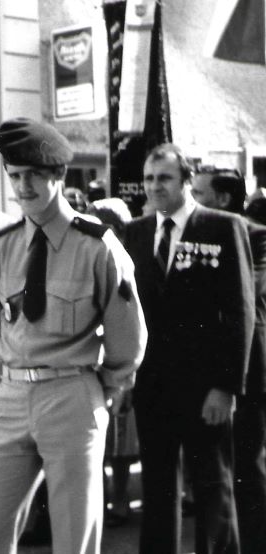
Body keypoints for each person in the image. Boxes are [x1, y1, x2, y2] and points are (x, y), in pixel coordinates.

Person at [0, 117, 147, 554]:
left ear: (58, 175)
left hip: (72, 397)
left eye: (33, 175)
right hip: (10, 401)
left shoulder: (98, 246)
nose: (23, 186)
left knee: (74, 539)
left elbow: (127, 339)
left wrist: (98, 388)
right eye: (15, 176)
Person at [125, 144, 254, 554]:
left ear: (185, 181)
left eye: (163, 178)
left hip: (206, 388)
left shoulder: (222, 226)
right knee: (159, 490)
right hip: (154, 386)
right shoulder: (138, 232)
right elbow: (128, 310)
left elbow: (240, 311)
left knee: (213, 489)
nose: (154, 186)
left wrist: (226, 386)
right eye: (148, 178)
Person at [192, 166, 266, 554]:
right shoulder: (192, 234)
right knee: (211, 474)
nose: (192, 200)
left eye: (200, 194)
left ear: (222, 199)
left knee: (247, 470)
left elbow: (248, 305)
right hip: (205, 370)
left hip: (249, 372)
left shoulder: (256, 236)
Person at [91, 198, 138, 527]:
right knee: (101, 438)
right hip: (94, 360)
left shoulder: (126, 260)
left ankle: (120, 498)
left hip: (122, 361)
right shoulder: (91, 256)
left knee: (122, 438)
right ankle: (104, 496)